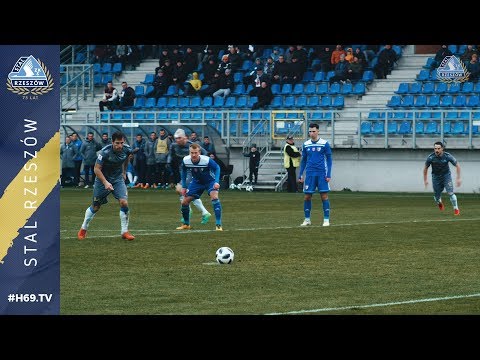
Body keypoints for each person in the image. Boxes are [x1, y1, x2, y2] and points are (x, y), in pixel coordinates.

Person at [77, 131, 135, 241]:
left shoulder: (127, 149)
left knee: (124, 202)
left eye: (122, 143)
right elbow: (96, 169)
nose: (120, 146)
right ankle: (83, 228)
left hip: (117, 179)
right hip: (102, 180)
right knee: (96, 206)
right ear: (112, 142)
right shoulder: (104, 152)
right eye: (117, 143)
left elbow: (127, 158)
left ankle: (124, 231)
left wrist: (124, 171)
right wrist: (105, 182)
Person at [167, 128, 212, 224]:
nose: (177, 140)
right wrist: (168, 162)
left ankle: (188, 209)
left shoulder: (192, 146)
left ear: (185, 138)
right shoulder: (173, 145)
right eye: (176, 138)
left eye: (179, 138)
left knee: (180, 189)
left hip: (192, 172)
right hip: (182, 171)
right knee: (188, 193)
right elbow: (170, 155)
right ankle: (204, 212)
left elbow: (205, 153)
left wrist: (200, 165)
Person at [176, 143, 223, 231]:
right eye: (192, 153)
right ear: (189, 152)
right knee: (184, 202)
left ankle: (218, 224)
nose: (193, 155)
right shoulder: (186, 160)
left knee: (214, 197)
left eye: (195, 153)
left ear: (199, 152)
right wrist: (184, 187)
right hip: (196, 182)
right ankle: (186, 224)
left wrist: (216, 181)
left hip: (210, 181)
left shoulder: (206, 160)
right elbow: (183, 171)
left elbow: (217, 168)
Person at [298, 123, 333, 227]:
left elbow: (329, 160)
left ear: (318, 131)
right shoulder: (306, 144)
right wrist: (300, 174)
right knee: (307, 196)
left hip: (322, 173)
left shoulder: (324, 143)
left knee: (324, 196)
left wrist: (328, 174)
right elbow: (303, 160)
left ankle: (326, 220)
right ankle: (307, 219)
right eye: (310, 131)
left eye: (313, 131)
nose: (311, 133)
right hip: (310, 174)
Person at [423, 141, 461, 216]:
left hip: (446, 176)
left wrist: (458, 178)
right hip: (436, 177)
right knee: (437, 197)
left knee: (450, 193)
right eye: (435, 148)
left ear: (442, 149)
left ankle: (456, 208)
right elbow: (425, 168)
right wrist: (425, 180)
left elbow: (457, 165)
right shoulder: (430, 157)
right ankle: (439, 202)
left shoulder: (447, 156)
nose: (436, 150)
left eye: (438, 148)